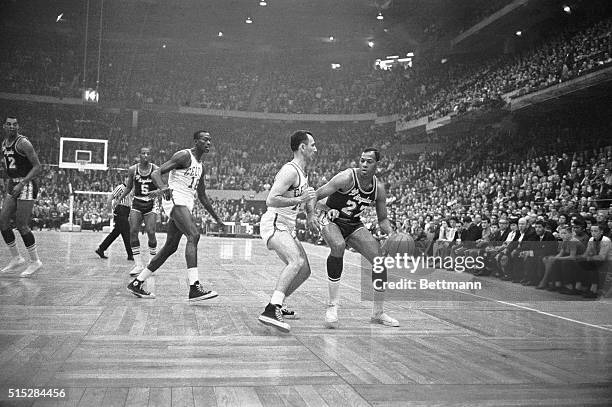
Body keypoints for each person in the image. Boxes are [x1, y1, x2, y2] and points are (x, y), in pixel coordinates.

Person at [127, 130, 225, 301]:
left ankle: (137, 282)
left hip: (186, 202)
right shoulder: (184, 156)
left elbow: (202, 196)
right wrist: (163, 187)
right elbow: (156, 173)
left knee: (170, 247)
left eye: (210, 140)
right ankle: (194, 287)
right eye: (204, 140)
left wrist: (216, 217)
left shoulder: (201, 166)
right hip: (174, 199)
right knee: (193, 235)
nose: (208, 143)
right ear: (196, 141)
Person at [314, 148, 399, 328]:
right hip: (330, 217)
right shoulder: (346, 177)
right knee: (338, 246)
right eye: (362, 160)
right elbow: (315, 195)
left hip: (353, 223)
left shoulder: (379, 188)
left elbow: (382, 219)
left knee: (380, 262)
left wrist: (392, 235)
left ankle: (378, 313)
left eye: (369, 161)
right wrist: (328, 210)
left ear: (377, 164)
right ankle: (332, 306)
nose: (364, 164)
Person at [257, 130, 317, 333]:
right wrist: (299, 200)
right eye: (313, 145)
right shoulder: (289, 170)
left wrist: (310, 214)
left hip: (288, 226)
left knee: (305, 270)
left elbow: (307, 195)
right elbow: (271, 199)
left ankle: (277, 304)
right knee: (296, 261)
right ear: (302, 147)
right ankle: (271, 309)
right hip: (275, 222)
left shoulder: (302, 173)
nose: (315, 149)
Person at [1, 115, 42, 277]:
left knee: (21, 224)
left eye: (15, 124)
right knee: (3, 221)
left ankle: (35, 261)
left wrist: (22, 183)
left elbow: (38, 167)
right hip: (13, 183)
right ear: (4, 126)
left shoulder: (23, 143)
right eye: (9, 124)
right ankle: (16, 257)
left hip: (26, 184)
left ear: (18, 126)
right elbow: (9, 166)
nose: (12, 127)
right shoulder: (4, 143)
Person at [116, 147, 159, 276]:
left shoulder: (156, 169)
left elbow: (162, 186)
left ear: (151, 156)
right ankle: (139, 264)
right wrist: (120, 199)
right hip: (137, 202)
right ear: (139, 155)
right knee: (133, 231)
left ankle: (152, 262)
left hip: (151, 203)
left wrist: (157, 192)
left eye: (148, 153)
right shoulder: (132, 170)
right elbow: (129, 187)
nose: (145, 155)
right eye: (143, 153)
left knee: (151, 232)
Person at [95, 181, 134, 260]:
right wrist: (109, 212)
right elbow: (110, 199)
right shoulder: (120, 187)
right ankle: (130, 254)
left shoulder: (130, 188)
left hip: (126, 211)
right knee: (126, 232)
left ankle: (101, 249)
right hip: (121, 210)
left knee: (116, 233)